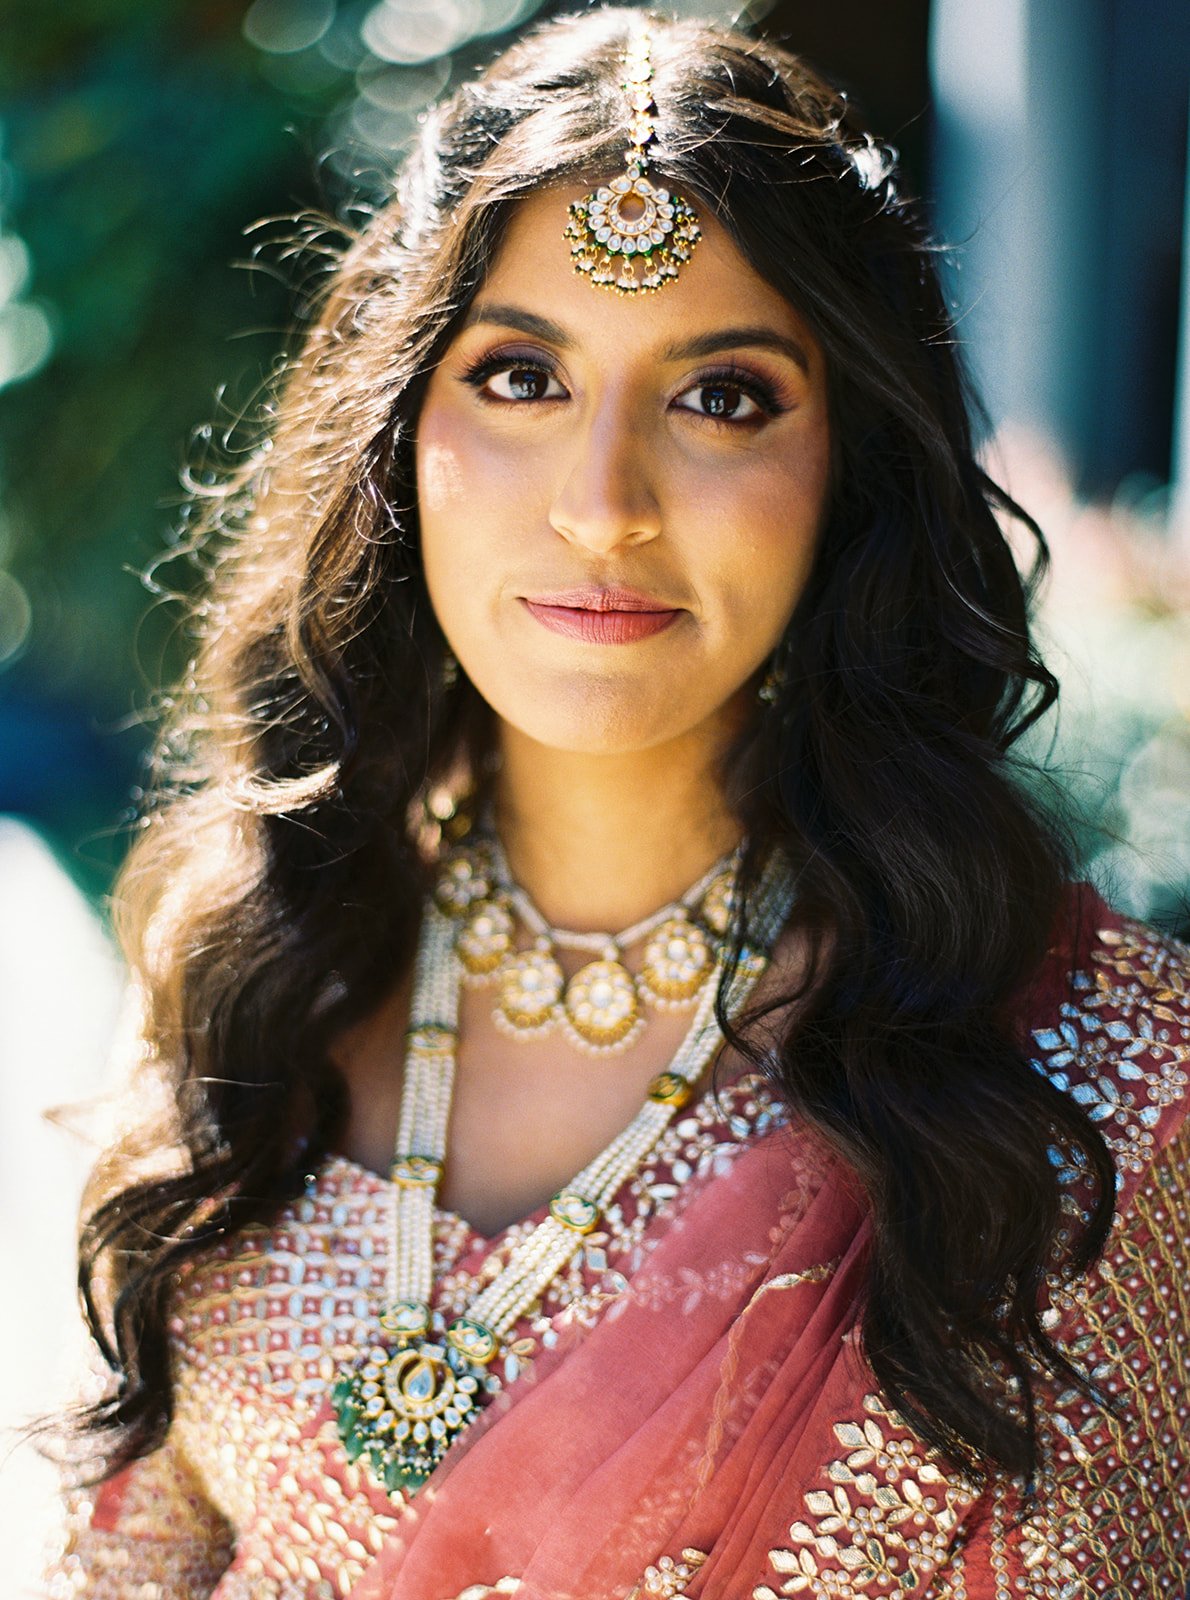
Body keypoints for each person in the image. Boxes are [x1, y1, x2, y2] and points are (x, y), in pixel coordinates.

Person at [43, 8, 1190, 1598]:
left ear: (848, 471)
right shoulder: (253, 950)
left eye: (721, 397)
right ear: (398, 434)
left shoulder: (1096, 1084)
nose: (603, 508)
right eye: (519, 377)